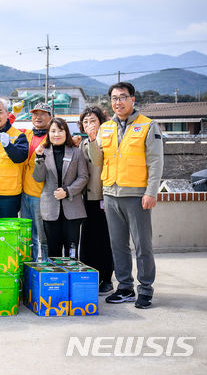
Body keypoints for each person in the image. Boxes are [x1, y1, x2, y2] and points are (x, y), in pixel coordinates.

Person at [89, 82, 164, 309]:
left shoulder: (148, 126)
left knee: (143, 246)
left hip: (137, 194)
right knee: (117, 245)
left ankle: (145, 290)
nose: (118, 102)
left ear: (133, 99)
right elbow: (98, 161)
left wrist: (151, 192)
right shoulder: (106, 128)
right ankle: (124, 288)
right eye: (114, 98)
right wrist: (92, 141)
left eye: (122, 97)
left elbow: (156, 162)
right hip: (111, 193)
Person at [33, 118, 89, 258]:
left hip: (72, 210)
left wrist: (68, 191)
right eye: (53, 131)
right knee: (53, 251)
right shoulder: (44, 152)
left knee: (72, 251)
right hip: (50, 210)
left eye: (60, 130)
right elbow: (39, 178)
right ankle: (56, 280)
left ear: (66, 133)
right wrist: (39, 158)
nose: (56, 134)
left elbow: (83, 177)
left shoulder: (76, 152)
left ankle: (72, 278)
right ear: (48, 133)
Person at [77, 106, 114, 294]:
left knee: (105, 240)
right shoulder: (82, 144)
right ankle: (91, 277)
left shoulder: (107, 140)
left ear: (101, 122)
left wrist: (92, 139)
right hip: (86, 199)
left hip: (104, 197)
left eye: (93, 121)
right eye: (85, 122)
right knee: (88, 241)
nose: (89, 125)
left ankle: (107, 278)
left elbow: (98, 160)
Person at [21, 102, 52, 260]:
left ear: (50, 117)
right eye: (35, 114)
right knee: (27, 236)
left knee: (43, 235)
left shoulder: (52, 137)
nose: (37, 117)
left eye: (42, 114)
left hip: (42, 193)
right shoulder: (26, 134)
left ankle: (46, 267)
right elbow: (6, 126)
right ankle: (29, 267)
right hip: (24, 193)